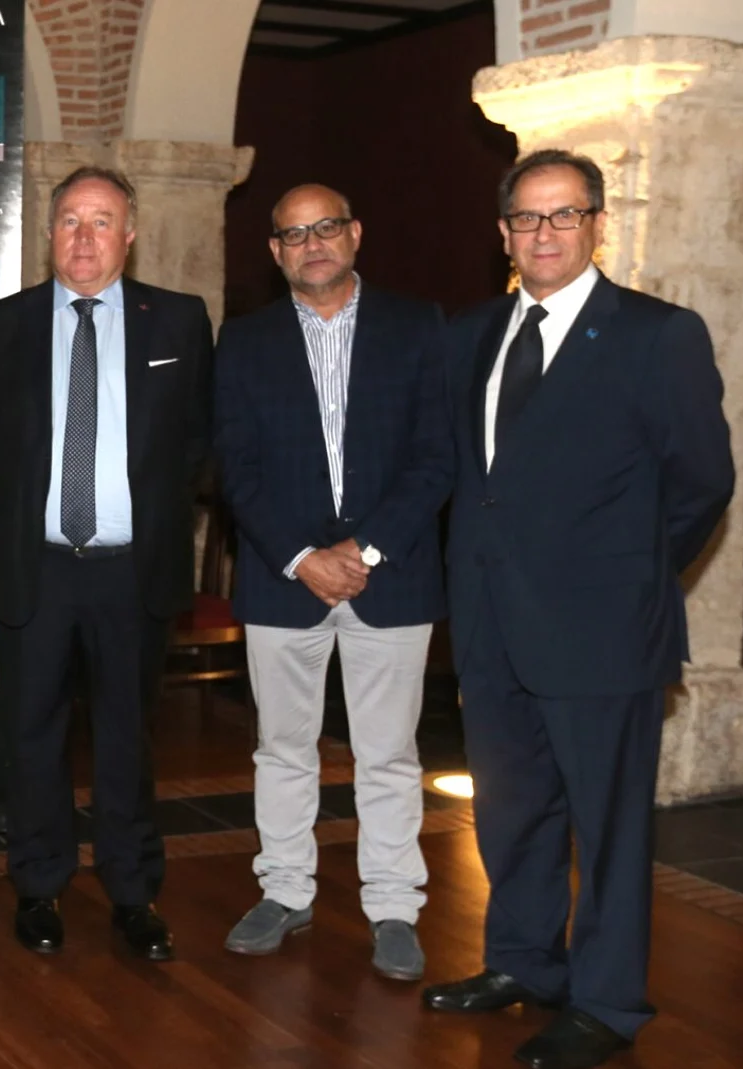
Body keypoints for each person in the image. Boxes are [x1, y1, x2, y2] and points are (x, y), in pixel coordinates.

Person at [421, 150, 733, 1069]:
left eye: (563, 216)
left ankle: (605, 1002)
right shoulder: (469, 334)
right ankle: (524, 963)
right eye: (526, 218)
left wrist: (628, 577)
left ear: (598, 224)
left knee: (608, 827)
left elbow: (702, 484)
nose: (543, 233)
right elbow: (471, 480)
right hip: (489, 626)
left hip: (603, 630)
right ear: (503, 232)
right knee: (511, 813)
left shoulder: (656, 334)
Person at [0, 166, 212, 961]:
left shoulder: (178, 320)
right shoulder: (2, 323)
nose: (84, 237)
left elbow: (200, 441)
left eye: (102, 222)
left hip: (132, 571)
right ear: (49, 231)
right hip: (37, 567)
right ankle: (39, 885)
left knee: (127, 738)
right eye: (70, 220)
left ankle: (133, 892)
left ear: (129, 235)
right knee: (32, 736)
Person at [213, 184, 452, 979]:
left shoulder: (419, 328)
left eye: (324, 228)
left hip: (395, 574)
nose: (311, 243)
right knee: (283, 748)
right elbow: (234, 468)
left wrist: (367, 550)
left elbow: (436, 456)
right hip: (284, 580)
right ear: (275, 252)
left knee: (388, 753)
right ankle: (284, 890)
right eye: (293, 234)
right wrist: (301, 557)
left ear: (354, 233)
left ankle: (393, 906)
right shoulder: (242, 343)